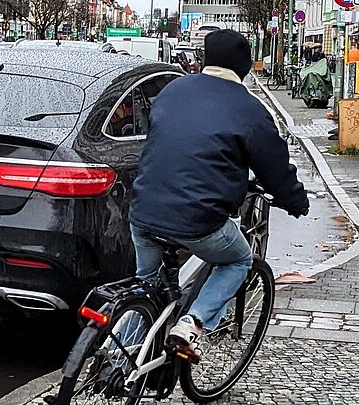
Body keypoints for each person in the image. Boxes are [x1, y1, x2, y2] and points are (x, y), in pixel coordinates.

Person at [128, 29, 310, 360]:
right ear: (245, 67)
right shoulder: (249, 109)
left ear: (205, 59)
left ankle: (114, 357)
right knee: (238, 259)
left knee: (146, 287)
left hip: (143, 208)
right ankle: (192, 324)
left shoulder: (173, 90)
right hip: (199, 219)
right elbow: (275, 169)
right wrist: (295, 201)